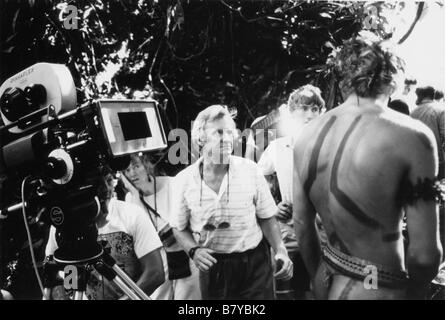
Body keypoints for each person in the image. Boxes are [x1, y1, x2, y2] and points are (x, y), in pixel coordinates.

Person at [293, 31, 442, 299]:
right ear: (392, 78)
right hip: (376, 288)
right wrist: (416, 289)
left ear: (343, 78)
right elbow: (424, 255)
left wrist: (318, 275)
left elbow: (302, 224)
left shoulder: (306, 135)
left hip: (327, 279)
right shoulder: (411, 137)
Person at [170, 104, 293, 300]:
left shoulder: (251, 170)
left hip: (256, 263)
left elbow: (267, 217)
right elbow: (178, 227)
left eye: (230, 132)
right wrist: (193, 250)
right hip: (215, 267)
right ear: (200, 138)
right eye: (219, 132)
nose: (227, 138)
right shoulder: (183, 181)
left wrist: (280, 250)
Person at [45, 166, 165, 300]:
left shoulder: (132, 215)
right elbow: (57, 273)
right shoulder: (62, 228)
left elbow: (156, 273)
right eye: (97, 185)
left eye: (108, 181)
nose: (106, 190)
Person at [258, 84, 325, 299]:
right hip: (289, 231)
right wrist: (273, 206)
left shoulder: (329, 145)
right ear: (292, 112)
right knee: (290, 292)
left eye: (315, 109)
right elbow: (256, 181)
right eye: (304, 109)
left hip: (324, 231)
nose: (309, 114)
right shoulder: (278, 147)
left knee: (321, 289)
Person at [122, 153, 201, 300]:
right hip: (160, 260)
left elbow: (189, 218)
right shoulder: (131, 199)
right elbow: (141, 230)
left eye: (136, 166)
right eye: (127, 171)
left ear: (146, 166)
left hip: (183, 254)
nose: (132, 173)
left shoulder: (172, 184)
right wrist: (134, 194)